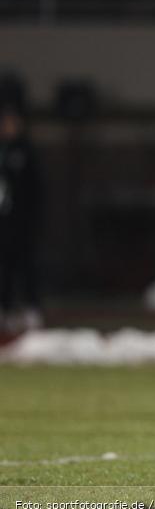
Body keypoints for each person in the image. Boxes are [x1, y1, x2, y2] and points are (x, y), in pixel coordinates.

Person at [0, 78, 43, 334]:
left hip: (21, 223)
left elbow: (36, 191)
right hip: (3, 222)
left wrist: (33, 221)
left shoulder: (25, 151)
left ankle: (31, 310)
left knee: (25, 266)